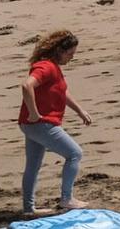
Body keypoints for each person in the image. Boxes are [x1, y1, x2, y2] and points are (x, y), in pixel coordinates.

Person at [18, 28, 90, 215]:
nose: (71, 58)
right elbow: (27, 86)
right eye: (70, 54)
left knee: (33, 165)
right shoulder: (46, 67)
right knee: (74, 154)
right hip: (41, 124)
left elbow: (61, 91)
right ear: (59, 50)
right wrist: (34, 112)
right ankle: (67, 199)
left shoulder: (53, 68)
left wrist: (79, 110)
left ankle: (28, 209)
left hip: (30, 125)